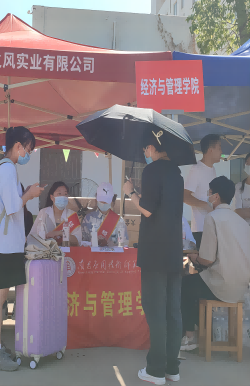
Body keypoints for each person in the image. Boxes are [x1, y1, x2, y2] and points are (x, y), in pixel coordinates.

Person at [123, 129, 184, 385]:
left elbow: (147, 209)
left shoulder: (152, 171)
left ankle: (156, 370)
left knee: (156, 310)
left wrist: (130, 191)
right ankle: (171, 367)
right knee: (173, 310)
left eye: (145, 149)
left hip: (154, 251)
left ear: (152, 147)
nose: (144, 154)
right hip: (173, 250)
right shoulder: (177, 174)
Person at [0, 126, 44, 371]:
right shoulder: (8, 169)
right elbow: (12, 207)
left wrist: (26, 193)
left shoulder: (3, 168)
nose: (28, 154)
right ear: (18, 146)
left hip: (5, 243)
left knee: (0, 296)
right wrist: (29, 195)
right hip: (5, 244)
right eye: (28, 149)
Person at [181, 176, 250, 351]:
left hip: (222, 285)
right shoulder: (242, 222)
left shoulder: (212, 217)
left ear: (216, 196)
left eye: (209, 192)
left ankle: (190, 337)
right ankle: (206, 332)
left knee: (185, 286)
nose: (208, 195)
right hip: (241, 287)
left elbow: (207, 260)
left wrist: (195, 257)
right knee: (197, 285)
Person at [183, 134, 222, 249]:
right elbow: (185, 196)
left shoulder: (213, 169)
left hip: (212, 226)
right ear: (210, 150)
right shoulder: (196, 169)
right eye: (219, 148)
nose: (221, 152)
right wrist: (205, 205)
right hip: (201, 229)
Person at [29, 181, 81, 246]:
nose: (63, 197)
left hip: (67, 251)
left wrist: (60, 233)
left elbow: (78, 240)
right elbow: (32, 237)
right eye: (59, 194)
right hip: (47, 251)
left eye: (65, 194)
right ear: (52, 197)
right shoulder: (43, 213)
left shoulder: (72, 215)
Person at [82, 182, 128, 247]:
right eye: (101, 200)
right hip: (92, 252)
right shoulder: (88, 218)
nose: (103, 203)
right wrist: (93, 241)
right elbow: (82, 242)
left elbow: (124, 244)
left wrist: (113, 244)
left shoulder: (119, 221)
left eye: (106, 200)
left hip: (112, 253)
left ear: (112, 201)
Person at [234, 153, 250, 225]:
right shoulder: (239, 186)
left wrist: (245, 211)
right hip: (244, 229)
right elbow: (238, 212)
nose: (248, 165)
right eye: (247, 163)